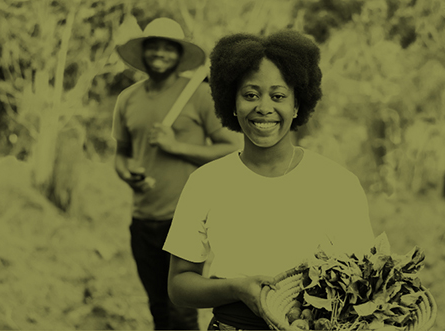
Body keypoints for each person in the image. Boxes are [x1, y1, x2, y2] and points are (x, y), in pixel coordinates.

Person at [163, 30, 376, 330]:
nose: (264, 107)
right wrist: (235, 288)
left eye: (278, 96)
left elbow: (366, 281)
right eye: (250, 95)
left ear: (297, 104)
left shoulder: (338, 183)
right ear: (232, 104)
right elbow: (179, 286)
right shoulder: (206, 182)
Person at [112, 18, 242, 330]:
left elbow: (231, 147)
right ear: (143, 53)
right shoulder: (127, 99)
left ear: (179, 55)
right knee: (158, 307)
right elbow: (121, 156)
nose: (159, 53)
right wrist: (129, 175)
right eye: (153, 46)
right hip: (143, 217)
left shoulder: (198, 96)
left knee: (181, 311)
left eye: (167, 48)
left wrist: (176, 147)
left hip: (185, 219)